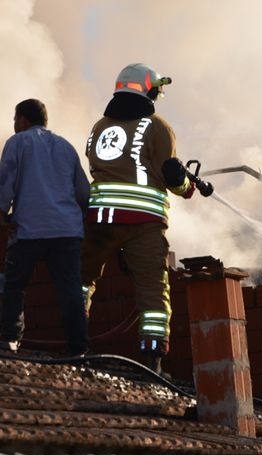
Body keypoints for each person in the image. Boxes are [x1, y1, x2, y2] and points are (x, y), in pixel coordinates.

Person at [81, 63, 196, 374]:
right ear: (147, 89)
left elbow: (96, 166)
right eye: (157, 89)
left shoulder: (99, 126)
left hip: (100, 219)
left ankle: (76, 342)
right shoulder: (157, 126)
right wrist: (188, 188)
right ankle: (152, 360)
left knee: (81, 280)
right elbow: (170, 174)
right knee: (153, 289)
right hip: (142, 222)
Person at [0, 98, 90, 355]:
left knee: (15, 285)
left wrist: (2, 214)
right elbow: (84, 192)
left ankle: (11, 340)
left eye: (15, 119)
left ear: (23, 119)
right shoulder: (66, 147)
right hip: (66, 231)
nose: (14, 124)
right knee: (70, 290)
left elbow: (6, 181)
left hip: (29, 229)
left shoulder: (17, 142)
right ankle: (78, 348)